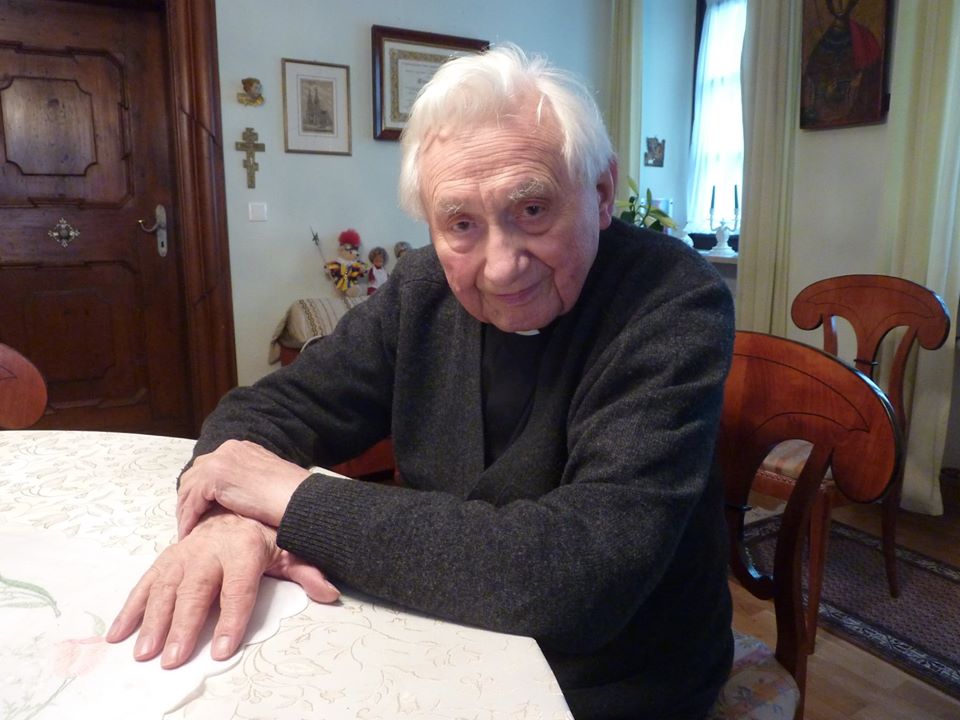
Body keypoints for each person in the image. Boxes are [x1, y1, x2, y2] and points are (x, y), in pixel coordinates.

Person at [108, 44, 735, 719]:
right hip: (445, 632)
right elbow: (267, 412)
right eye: (461, 224)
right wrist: (231, 518)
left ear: (602, 192)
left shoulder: (673, 302)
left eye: (532, 209)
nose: (501, 266)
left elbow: (577, 579)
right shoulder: (423, 291)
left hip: (612, 679)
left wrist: (289, 500)